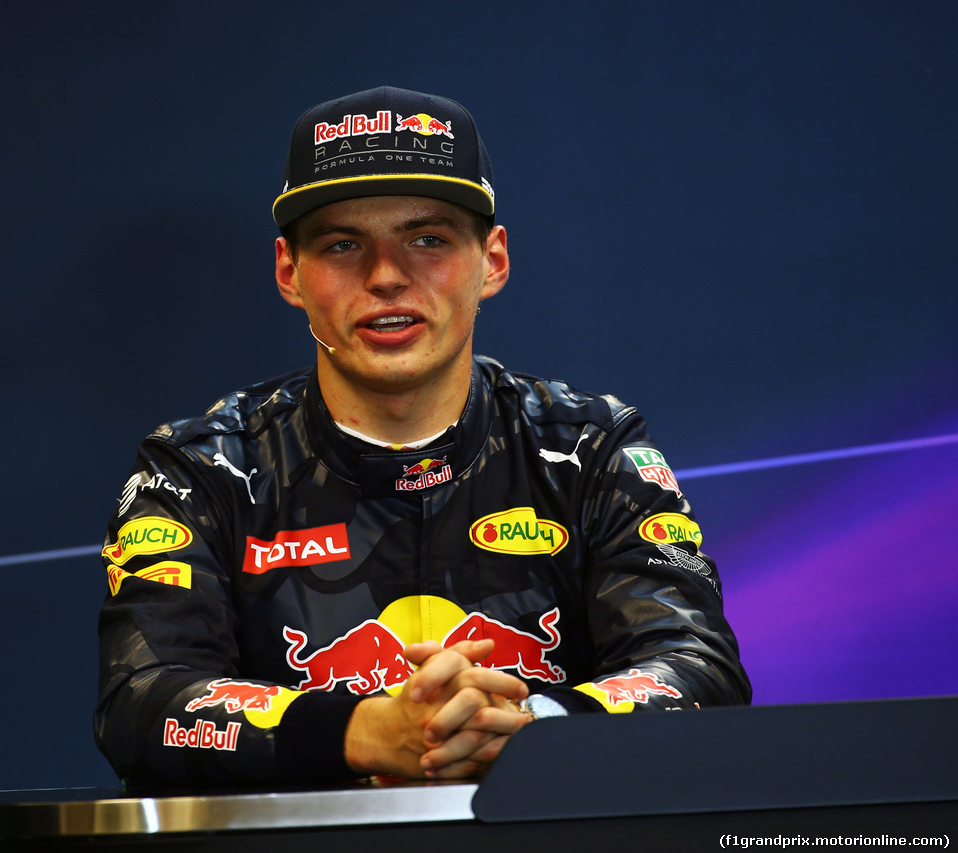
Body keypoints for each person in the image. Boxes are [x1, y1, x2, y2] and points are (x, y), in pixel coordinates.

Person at [94, 86, 750, 785]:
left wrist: (536, 731)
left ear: (492, 261)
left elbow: (699, 668)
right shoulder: (198, 471)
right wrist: (361, 733)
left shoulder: (591, 451)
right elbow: (141, 699)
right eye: (343, 244)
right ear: (290, 272)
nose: (385, 276)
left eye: (428, 239)